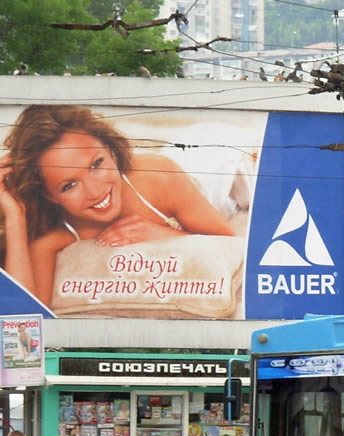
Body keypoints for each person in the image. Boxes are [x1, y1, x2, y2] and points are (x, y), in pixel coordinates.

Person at [0, 104, 235, 307]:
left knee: (226, 151)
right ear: (49, 195)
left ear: (111, 151)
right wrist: (14, 214)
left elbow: (231, 244)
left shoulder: (160, 175)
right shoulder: (53, 238)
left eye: (96, 164)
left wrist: (165, 234)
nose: (95, 191)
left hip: (209, 176)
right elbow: (24, 315)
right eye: (69, 185)